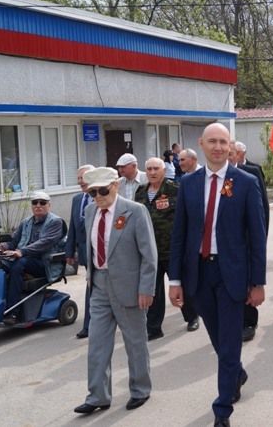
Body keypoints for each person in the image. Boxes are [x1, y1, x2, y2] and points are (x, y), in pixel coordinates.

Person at [168, 123, 267, 427]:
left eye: (223, 142)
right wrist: (175, 280)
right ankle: (236, 373)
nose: (218, 147)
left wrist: (258, 282)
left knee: (230, 343)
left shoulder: (246, 182)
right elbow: (180, 233)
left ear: (230, 146)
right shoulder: (188, 184)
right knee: (218, 340)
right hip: (198, 273)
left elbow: (257, 235)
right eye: (212, 141)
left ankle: (222, 409)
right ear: (201, 144)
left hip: (232, 275)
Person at [74, 167, 158, 415]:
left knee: (135, 342)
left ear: (116, 185)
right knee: (97, 343)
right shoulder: (90, 211)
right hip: (99, 285)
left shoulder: (135, 211)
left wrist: (146, 289)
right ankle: (97, 395)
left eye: (102, 190)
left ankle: (140, 389)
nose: (98, 197)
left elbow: (149, 255)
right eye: (92, 192)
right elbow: (90, 249)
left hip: (129, 287)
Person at [135, 158, 199, 341]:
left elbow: (188, 218)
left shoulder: (175, 189)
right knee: (153, 289)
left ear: (163, 170)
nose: (152, 172)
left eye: (156, 169)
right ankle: (154, 328)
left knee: (181, 286)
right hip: (150, 252)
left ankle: (192, 316)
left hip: (172, 250)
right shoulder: (140, 193)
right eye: (149, 169)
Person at [0, 191, 64, 322]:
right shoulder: (26, 222)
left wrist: (21, 251)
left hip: (45, 264)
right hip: (24, 259)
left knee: (19, 264)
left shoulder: (56, 222)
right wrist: (2, 247)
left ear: (49, 205)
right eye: (35, 202)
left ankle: (12, 312)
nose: (38, 205)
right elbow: (13, 242)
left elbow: (44, 243)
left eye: (42, 202)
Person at [229, 141, 270, 342]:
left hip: (246, 239)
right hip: (225, 245)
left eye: (230, 154)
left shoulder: (250, 173)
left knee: (248, 282)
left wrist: (262, 236)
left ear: (237, 155)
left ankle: (249, 322)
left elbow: (263, 207)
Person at [65, 164, 95, 339]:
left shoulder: (102, 196)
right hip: (85, 253)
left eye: (82, 177)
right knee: (91, 286)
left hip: (104, 252)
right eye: (78, 178)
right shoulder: (77, 199)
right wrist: (69, 252)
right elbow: (73, 228)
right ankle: (89, 326)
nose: (80, 181)